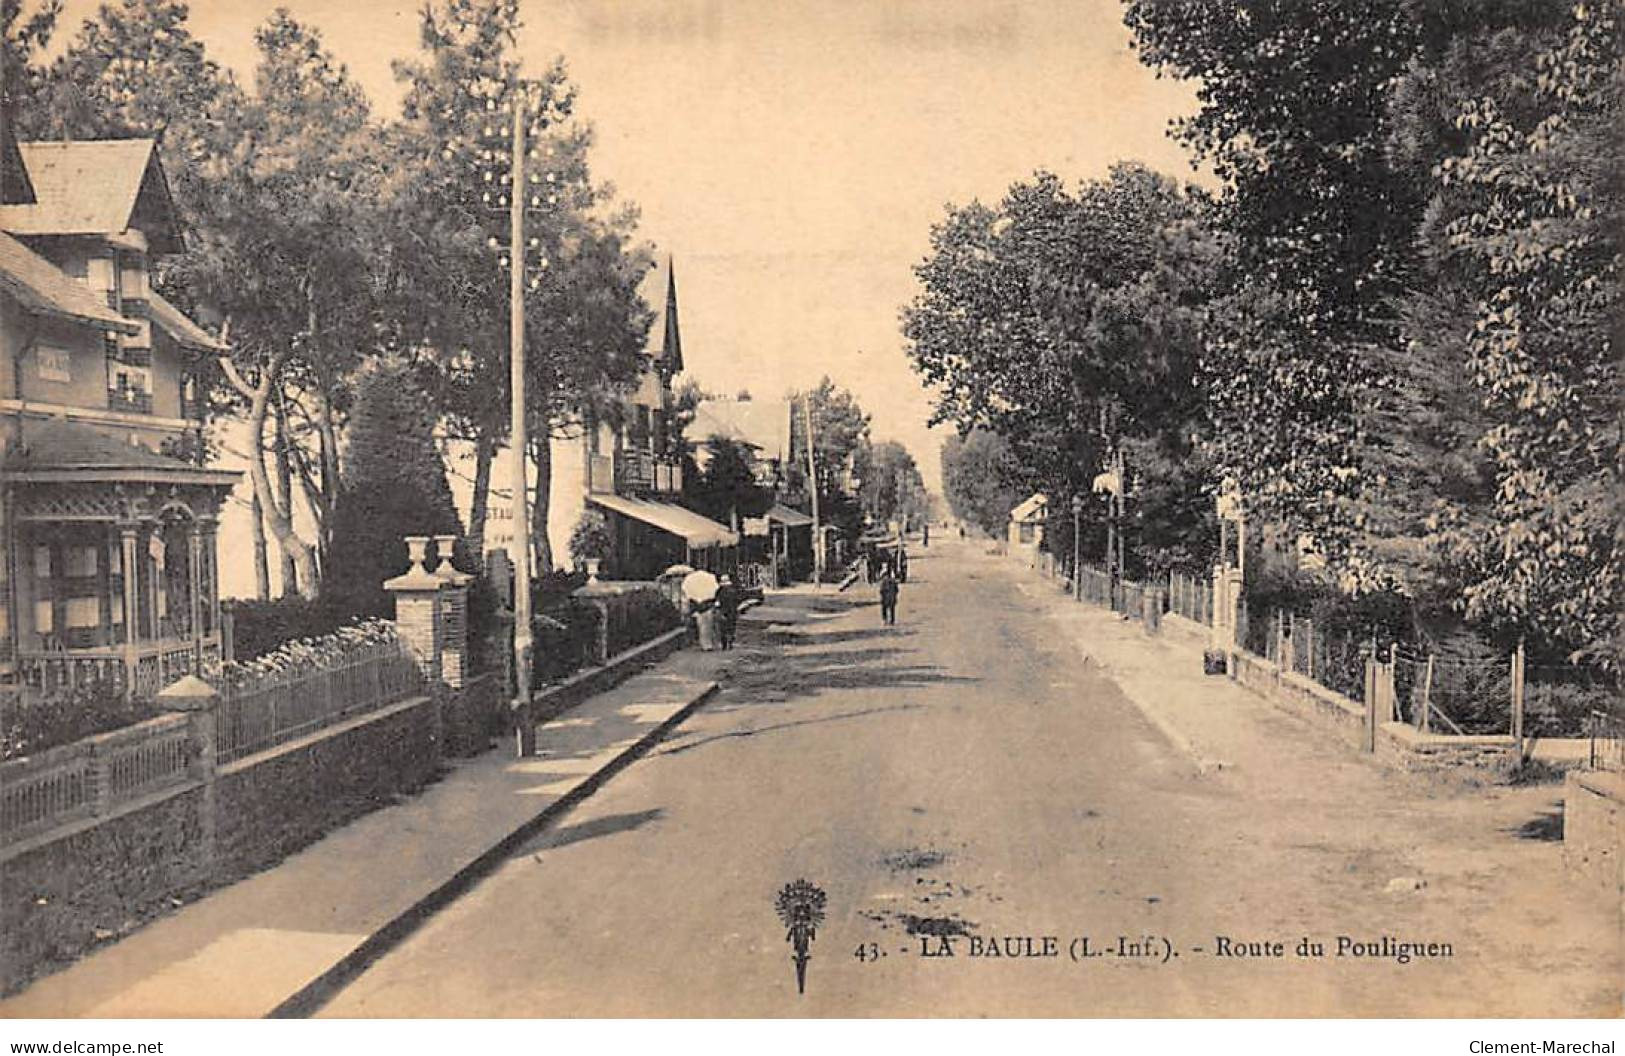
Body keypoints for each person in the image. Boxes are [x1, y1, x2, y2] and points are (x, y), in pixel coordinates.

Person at [716, 575, 739, 650]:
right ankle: (730, 643)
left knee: (723, 629)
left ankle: (724, 644)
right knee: (731, 628)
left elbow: (717, 603)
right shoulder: (733, 591)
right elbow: (736, 602)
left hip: (723, 612)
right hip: (732, 612)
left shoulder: (719, 592)